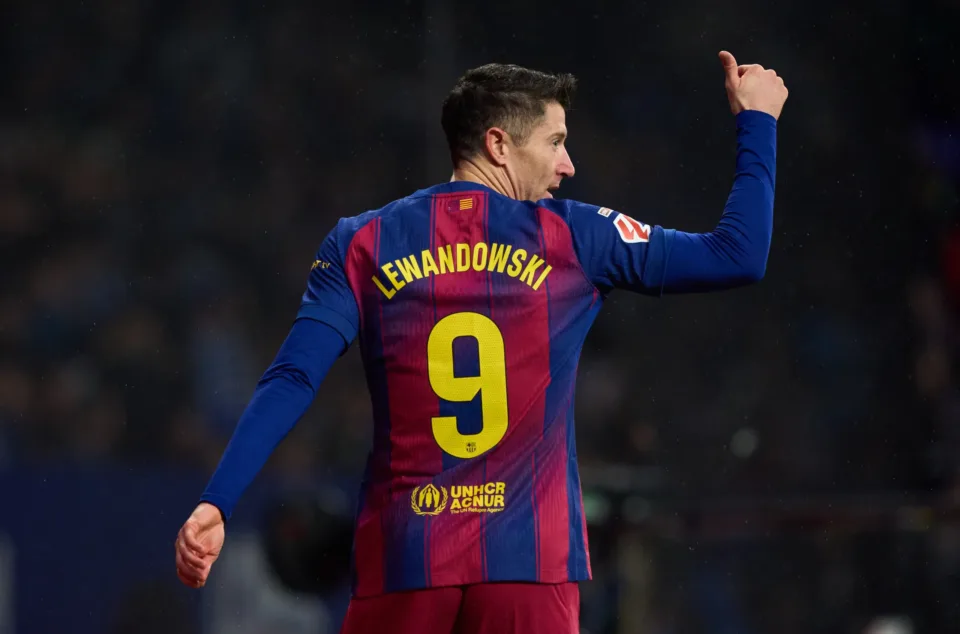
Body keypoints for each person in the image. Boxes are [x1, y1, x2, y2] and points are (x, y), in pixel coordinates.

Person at [175, 50, 788, 633]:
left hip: (406, 561)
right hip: (529, 565)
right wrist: (757, 121)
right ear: (498, 144)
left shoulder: (361, 242)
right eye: (555, 142)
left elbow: (293, 377)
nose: (568, 164)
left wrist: (217, 502)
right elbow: (738, 255)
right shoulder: (576, 237)